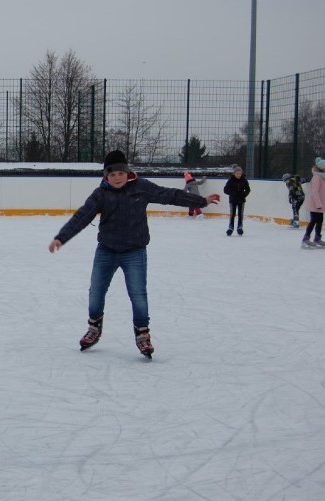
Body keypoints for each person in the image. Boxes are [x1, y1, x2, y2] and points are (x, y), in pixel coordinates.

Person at [48, 150, 221, 358]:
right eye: (112, 175)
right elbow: (82, 216)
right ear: (106, 176)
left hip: (134, 251)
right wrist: (61, 237)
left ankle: (142, 334)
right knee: (96, 293)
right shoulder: (101, 193)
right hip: (106, 251)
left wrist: (200, 201)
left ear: (127, 172)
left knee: (138, 295)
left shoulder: (142, 188)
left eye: (120, 173)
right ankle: (94, 328)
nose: (117, 178)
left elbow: (169, 195)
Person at [301, 157, 325, 248]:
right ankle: (305, 239)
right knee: (313, 221)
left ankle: (317, 238)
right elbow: (315, 192)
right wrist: (318, 204)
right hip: (316, 205)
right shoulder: (317, 178)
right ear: (322, 168)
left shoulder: (322, 178)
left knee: (320, 221)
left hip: (320, 205)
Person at [223, 164, 251, 236]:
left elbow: (248, 189)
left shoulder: (244, 180)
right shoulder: (230, 181)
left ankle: (240, 227)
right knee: (232, 214)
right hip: (232, 200)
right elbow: (225, 190)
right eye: (237, 174)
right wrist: (232, 193)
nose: (239, 175)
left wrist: (244, 195)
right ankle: (231, 227)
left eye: (240, 174)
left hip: (241, 200)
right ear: (234, 173)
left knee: (240, 214)